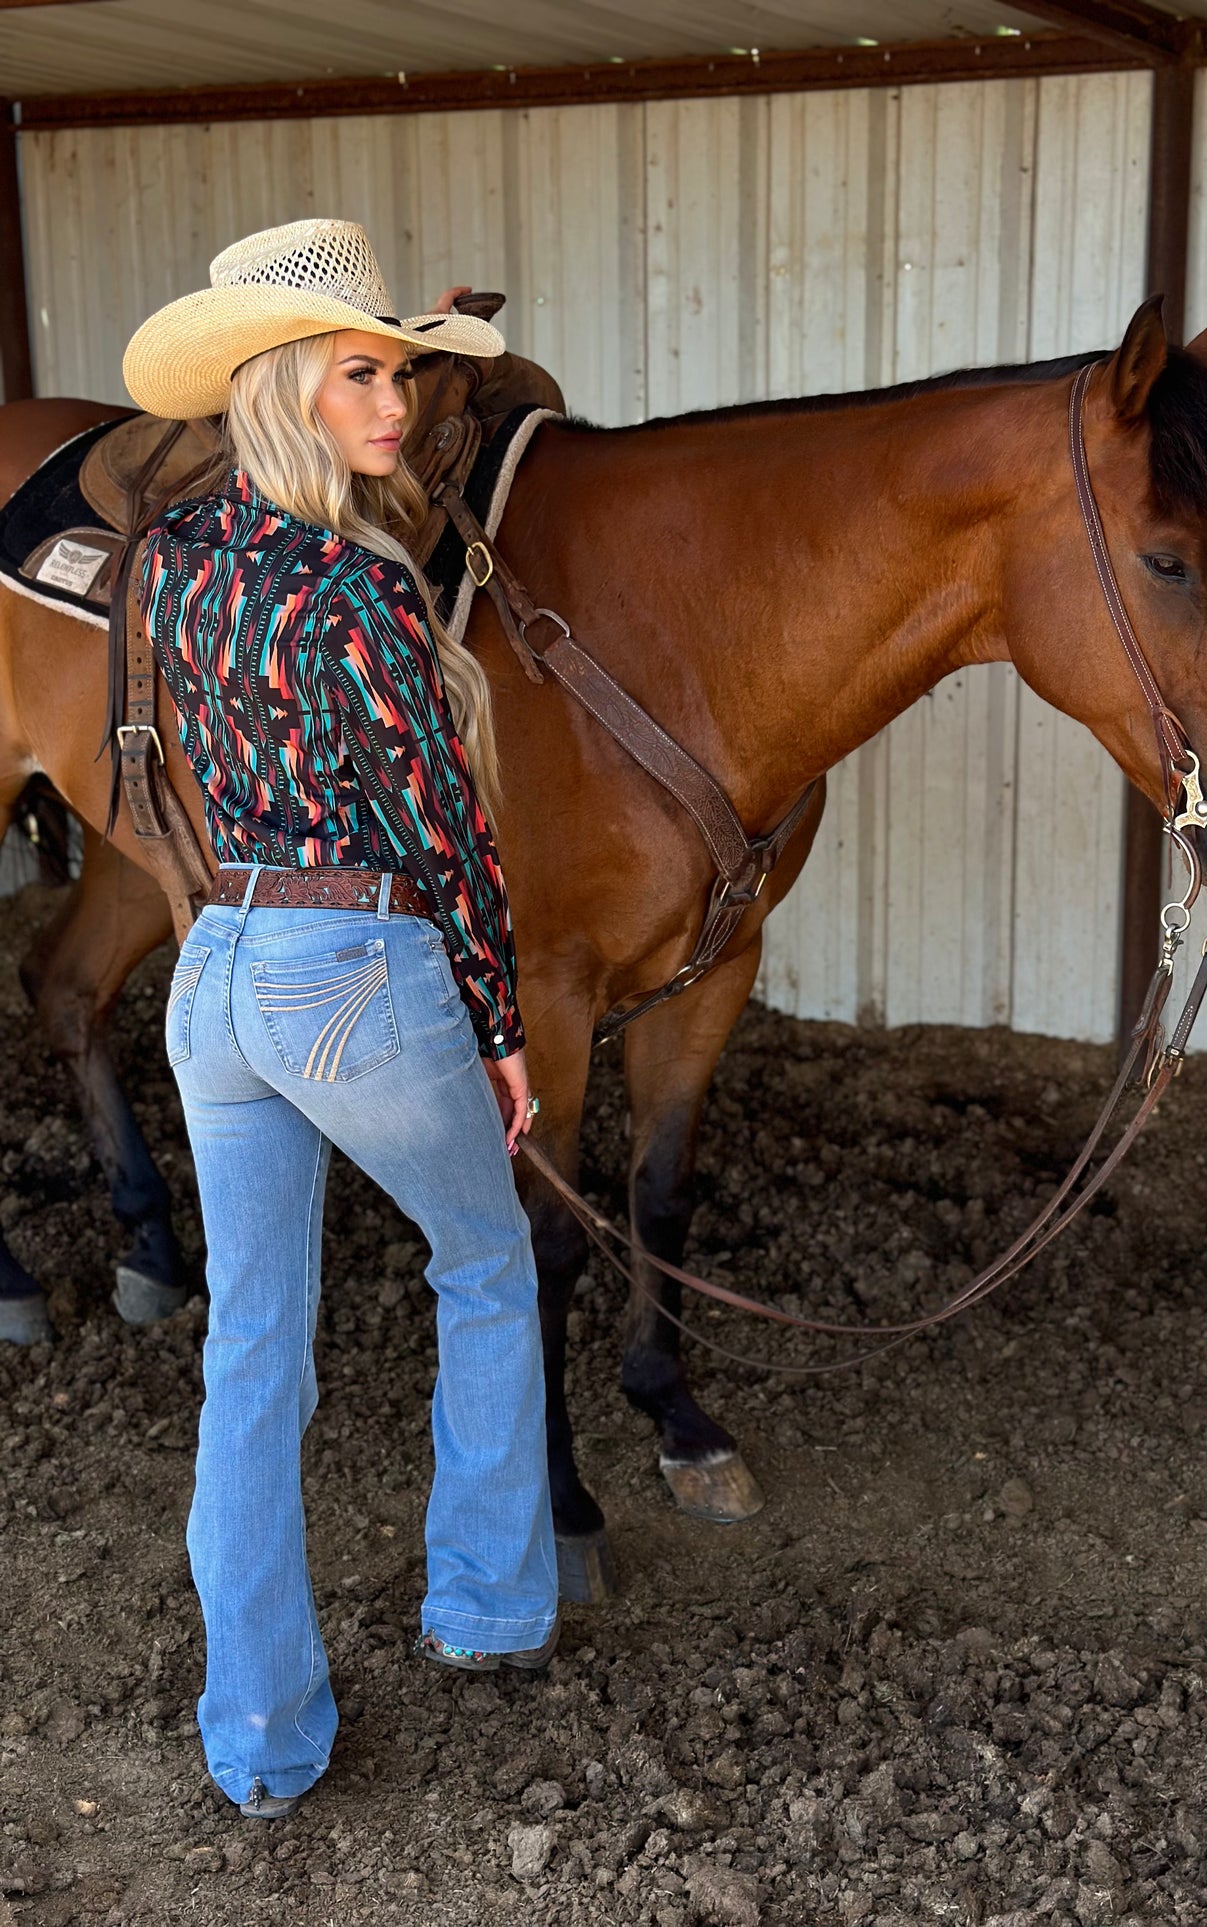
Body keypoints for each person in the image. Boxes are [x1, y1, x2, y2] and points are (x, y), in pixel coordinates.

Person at [121, 219, 557, 1821]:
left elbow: (182, 772)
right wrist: (500, 1027)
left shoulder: (173, 561)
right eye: (361, 373)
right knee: (487, 1260)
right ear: (285, 386)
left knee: (253, 1355)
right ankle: (490, 1606)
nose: (393, 403)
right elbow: (441, 829)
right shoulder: (357, 592)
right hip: (352, 969)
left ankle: (259, 1736)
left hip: (216, 972)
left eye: (399, 373)